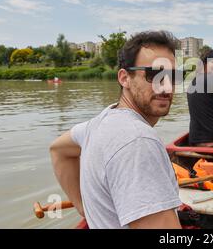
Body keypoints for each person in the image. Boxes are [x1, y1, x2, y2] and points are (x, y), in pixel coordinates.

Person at [49, 31, 184, 229]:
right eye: (154, 74)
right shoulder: (138, 140)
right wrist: (83, 207)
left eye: (173, 76)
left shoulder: (99, 122)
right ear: (124, 78)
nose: (166, 87)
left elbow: (58, 150)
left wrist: (84, 209)